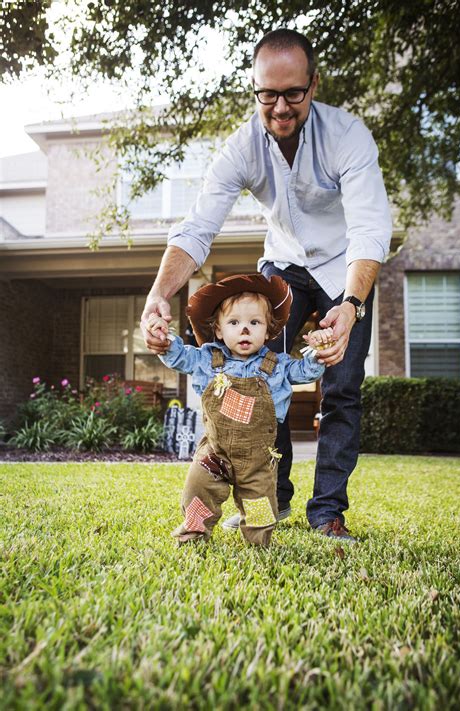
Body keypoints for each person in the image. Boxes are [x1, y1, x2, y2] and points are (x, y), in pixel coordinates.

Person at [141, 28, 392, 543]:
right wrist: (157, 294)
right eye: (267, 94)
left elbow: (369, 229)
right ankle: (268, 499)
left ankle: (327, 513)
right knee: (257, 375)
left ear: (313, 85)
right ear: (254, 88)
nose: (280, 107)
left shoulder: (348, 136)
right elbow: (198, 227)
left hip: (345, 271)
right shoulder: (241, 148)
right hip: (283, 266)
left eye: (293, 93)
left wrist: (349, 307)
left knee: (341, 389)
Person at [149, 273, 331, 546]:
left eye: (254, 322)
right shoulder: (207, 359)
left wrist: (319, 351)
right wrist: (164, 340)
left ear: (268, 331)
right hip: (215, 453)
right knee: (197, 492)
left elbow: (306, 371)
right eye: (234, 322)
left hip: (257, 460)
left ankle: (258, 544)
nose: (245, 329)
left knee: (260, 508)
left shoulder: (277, 365)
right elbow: (179, 356)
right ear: (219, 330)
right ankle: (193, 534)